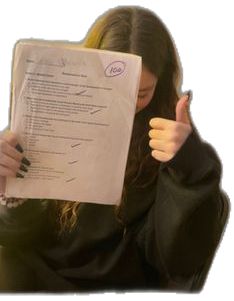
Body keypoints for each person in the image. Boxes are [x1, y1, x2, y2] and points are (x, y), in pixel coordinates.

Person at [0, 5, 229, 292]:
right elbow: (15, 235)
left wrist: (188, 168)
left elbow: (176, 260)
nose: (125, 105)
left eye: (141, 93)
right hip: (30, 268)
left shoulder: (166, 141)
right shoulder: (51, 114)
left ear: (160, 83)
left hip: (108, 285)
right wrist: (11, 193)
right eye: (111, 89)